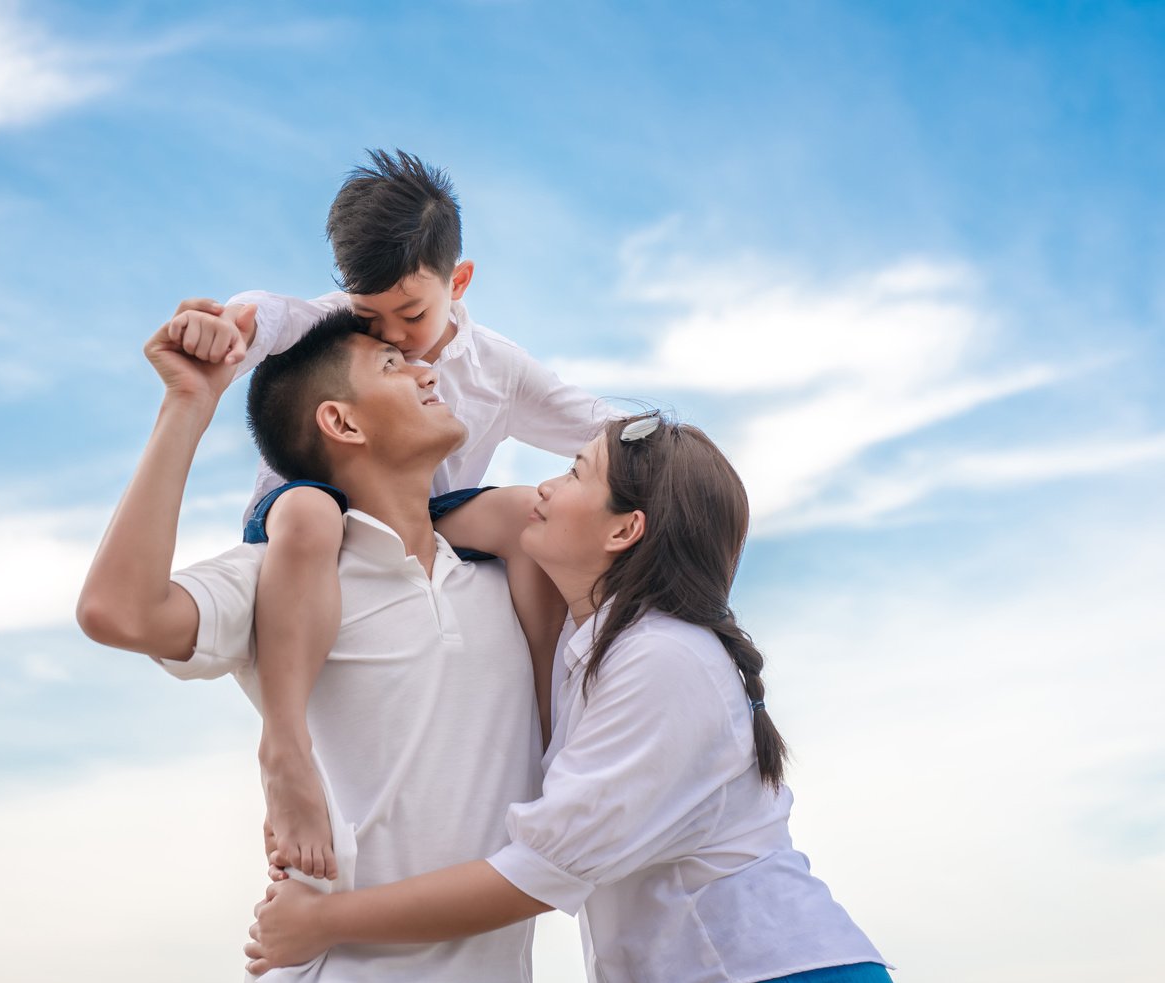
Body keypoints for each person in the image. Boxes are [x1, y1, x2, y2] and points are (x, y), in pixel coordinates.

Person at [244, 413, 893, 983]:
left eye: (577, 474)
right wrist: (314, 512)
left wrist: (324, 920)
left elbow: (535, 872)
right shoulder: (594, 641)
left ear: (624, 529)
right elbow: (423, 517)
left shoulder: (665, 658)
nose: (547, 488)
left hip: (778, 970)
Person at [167, 149, 611, 879]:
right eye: (372, 318)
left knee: (523, 515)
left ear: (458, 281)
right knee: (312, 513)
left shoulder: (498, 368)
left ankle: (548, 728)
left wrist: (669, 443)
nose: (396, 338)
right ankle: (283, 744)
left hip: (426, 520)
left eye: (411, 314)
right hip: (310, 508)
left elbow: (588, 421)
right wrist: (224, 326)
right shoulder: (344, 327)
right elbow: (269, 314)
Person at [77, 308, 547, 982]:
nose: (425, 370)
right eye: (392, 365)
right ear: (343, 422)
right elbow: (116, 610)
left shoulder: (502, 572)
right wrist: (187, 403)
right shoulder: (289, 576)